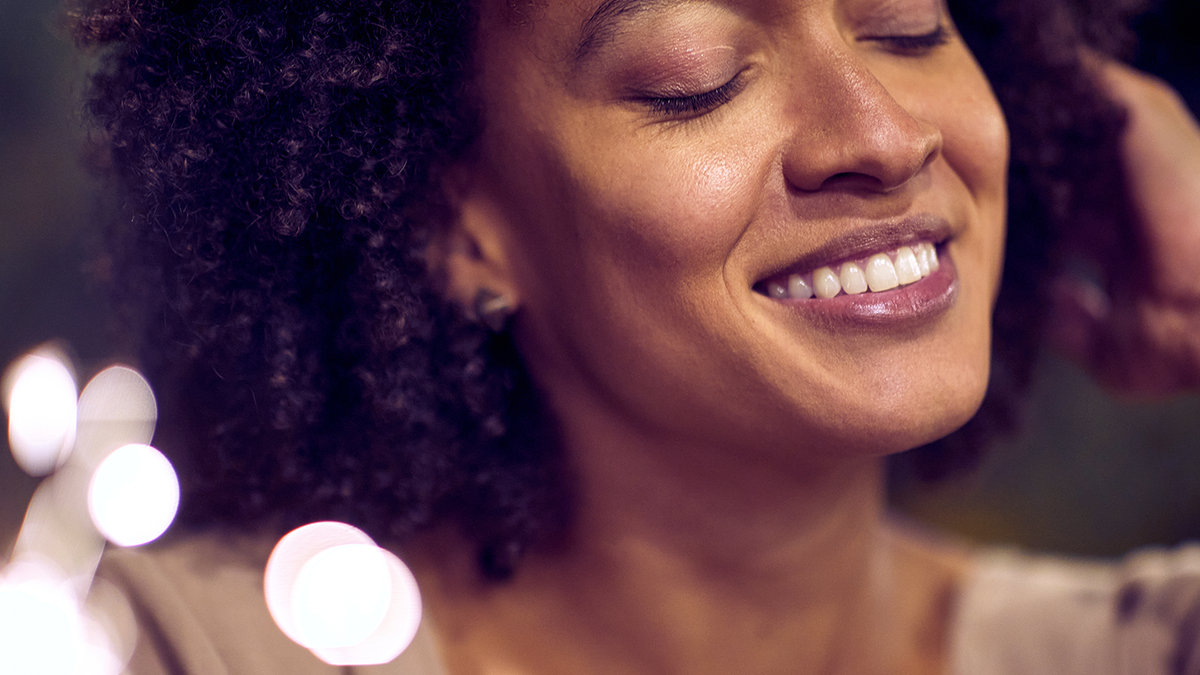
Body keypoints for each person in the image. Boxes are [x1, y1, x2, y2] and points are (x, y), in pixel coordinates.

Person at [70, 0, 1200, 672]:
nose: (885, 133)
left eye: (909, 27)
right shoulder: (165, 652)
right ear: (451, 225)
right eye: (696, 80)